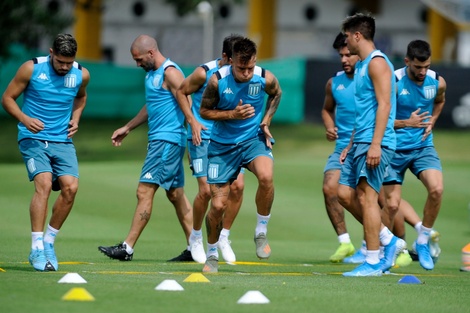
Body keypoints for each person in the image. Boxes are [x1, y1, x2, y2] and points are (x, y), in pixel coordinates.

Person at [98, 35, 194, 262]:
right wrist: (128, 127)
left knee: (144, 191)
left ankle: (127, 248)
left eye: (139, 59)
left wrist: (193, 141)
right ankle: (196, 247)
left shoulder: (171, 73)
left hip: (167, 141)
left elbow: (188, 105)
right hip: (162, 140)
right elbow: (152, 105)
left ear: (151, 53)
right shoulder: (152, 74)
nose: (137, 64)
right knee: (176, 194)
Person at [1, 33, 90, 271]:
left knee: (71, 188)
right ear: (51, 53)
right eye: (60, 61)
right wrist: (23, 118)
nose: (64, 67)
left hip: (62, 140)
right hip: (33, 137)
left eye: (69, 63)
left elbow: (81, 97)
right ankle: (37, 248)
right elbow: (7, 98)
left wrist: (76, 118)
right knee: (44, 183)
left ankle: (49, 241)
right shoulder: (31, 69)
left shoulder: (81, 74)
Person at [199, 37, 282, 272]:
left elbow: (276, 94)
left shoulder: (264, 77)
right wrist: (231, 115)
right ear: (230, 61)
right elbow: (204, 111)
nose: (246, 73)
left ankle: (261, 231)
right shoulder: (217, 81)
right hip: (222, 146)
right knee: (217, 205)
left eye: (250, 68)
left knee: (266, 176)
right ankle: (212, 253)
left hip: (253, 140)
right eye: (240, 68)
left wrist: (266, 121)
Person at [338, 13, 406, 276]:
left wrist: (376, 144)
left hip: (375, 142)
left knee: (368, 199)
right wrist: (350, 144)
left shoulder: (377, 63)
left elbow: (385, 105)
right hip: (360, 141)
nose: (345, 43)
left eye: (347, 37)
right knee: (344, 194)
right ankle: (389, 240)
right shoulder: (362, 65)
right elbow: (364, 110)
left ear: (357, 35)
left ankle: (374, 260)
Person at [175, 34, 245, 264]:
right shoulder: (203, 73)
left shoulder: (242, 76)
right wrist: (192, 121)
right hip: (201, 138)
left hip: (230, 140)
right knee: (206, 191)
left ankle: (224, 235)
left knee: (238, 188)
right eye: (235, 60)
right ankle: (195, 237)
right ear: (225, 56)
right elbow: (181, 91)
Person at [382, 39, 446, 270]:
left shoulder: (436, 82)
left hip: (422, 147)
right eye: (418, 67)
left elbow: (440, 101)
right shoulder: (394, 82)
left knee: (437, 189)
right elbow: (380, 119)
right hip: (393, 149)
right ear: (407, 61)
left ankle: (422, 242)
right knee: (390, 205)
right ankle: (382, 253)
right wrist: (405, 123)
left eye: (426, 66)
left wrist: (433, 121)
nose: (422, 71)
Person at [321, 32, 361, 263]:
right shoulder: (334, 83)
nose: (344, 59)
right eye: (341, 55)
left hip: (367, 146)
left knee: (380, 200)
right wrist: (329, 126)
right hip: (342, 148)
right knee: (329, 188)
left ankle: (382, 243)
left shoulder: (371, 78)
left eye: (349, 55)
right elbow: (327, 109)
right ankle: (345, 242)